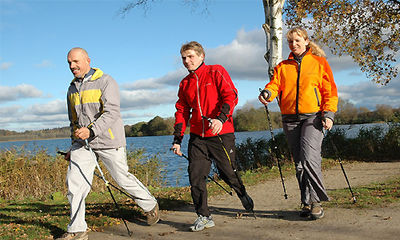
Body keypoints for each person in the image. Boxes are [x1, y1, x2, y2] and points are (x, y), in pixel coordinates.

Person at [57, 47, 159, 240]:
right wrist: (73, 145)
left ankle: (149, 204)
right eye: (69, 63)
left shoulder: (106, 81)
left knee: (122, 178)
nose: (72, 66)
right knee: (75, 183)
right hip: (82, 143)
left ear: (87, 60)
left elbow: (112, 112)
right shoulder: (71, 88)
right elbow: (74, 121)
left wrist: (92, 130)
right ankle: (77, 229)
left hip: (108, 139)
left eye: (76, 62)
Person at [171, 41, 254, 232]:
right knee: (196, 176)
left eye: (190, 56)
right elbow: (182, 111)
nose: (187, 61)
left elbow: (231, 95)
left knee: (227, 172)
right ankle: (204, 215)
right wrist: (177, 139)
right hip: (198, 137)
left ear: (201, 56)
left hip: (221, 133)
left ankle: (240, 191)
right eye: (184, 58)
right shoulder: (185, 83)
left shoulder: (216, 71)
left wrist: (221, 119)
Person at [259, 27, 338, 220]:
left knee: (310, 158)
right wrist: (268, 93)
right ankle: (306, 201)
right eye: (290, 42)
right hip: (290, 119)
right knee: (300, 164)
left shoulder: (319, 63)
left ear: (306, 41)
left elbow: (330, 91)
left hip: (313, 117)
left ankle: (316, 201)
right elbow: (275, 84)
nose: (294, 44)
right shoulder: (283, 66)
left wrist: (328, 114)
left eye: (297, 40)